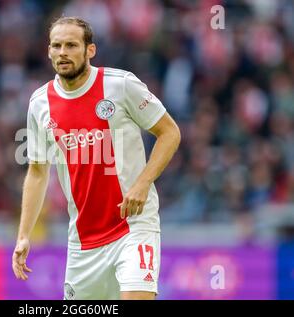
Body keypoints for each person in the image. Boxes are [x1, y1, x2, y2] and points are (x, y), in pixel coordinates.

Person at [12, 16, 181, 300]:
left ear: (90, 50)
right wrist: (24, 234)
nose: (63, 52)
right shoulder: (40, 103)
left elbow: (170, 133)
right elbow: (38, 172)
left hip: (133, 226)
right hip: (83, 241)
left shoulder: (121, 85)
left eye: (71, 45)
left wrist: (142, 184)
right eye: (56, 45)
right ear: (49, 51)